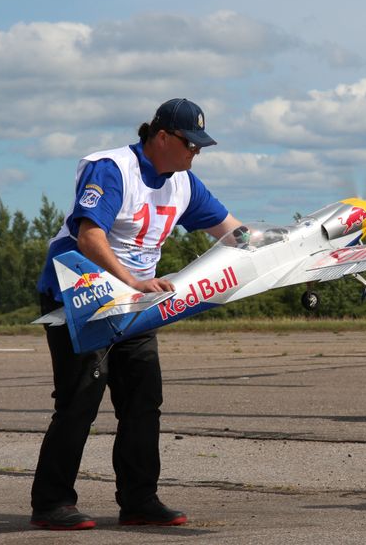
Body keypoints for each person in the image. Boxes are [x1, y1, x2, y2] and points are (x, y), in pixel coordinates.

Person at [31, 98, 244, 530]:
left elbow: (233, 233)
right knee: (79, 402)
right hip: (81, 293)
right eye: (190, 144)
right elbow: (89, 236)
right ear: (161, 137)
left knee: (143, 401)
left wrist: (289, 245)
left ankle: (140, 501)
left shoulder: (184, 182)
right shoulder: (111, 169)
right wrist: (133, 280)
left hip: (138, 301)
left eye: (200, 147)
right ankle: (51, 503)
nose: (195, 153)